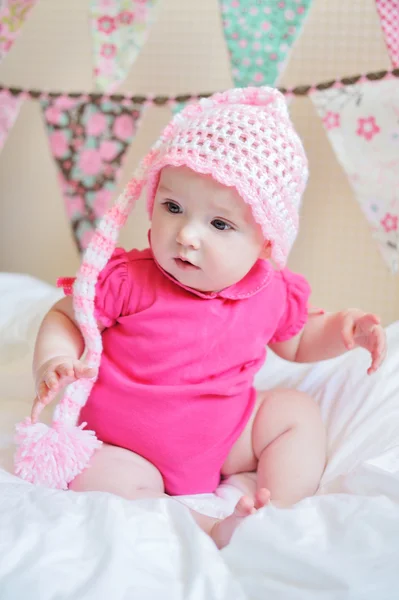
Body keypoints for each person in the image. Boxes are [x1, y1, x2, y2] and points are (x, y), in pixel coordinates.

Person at [15, 87, 387, 549]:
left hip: (224, 435)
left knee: (295, 413)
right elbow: (66, 316)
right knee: (98, 473)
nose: (187, 235)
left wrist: (343, 330)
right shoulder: (129, 279)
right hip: (128, 446)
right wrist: (53, 359)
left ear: (267, 242)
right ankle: (202, 525)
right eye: (173, 208)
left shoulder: (271, 292)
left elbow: (297, 341)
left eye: (219, 224)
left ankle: (279, 512)